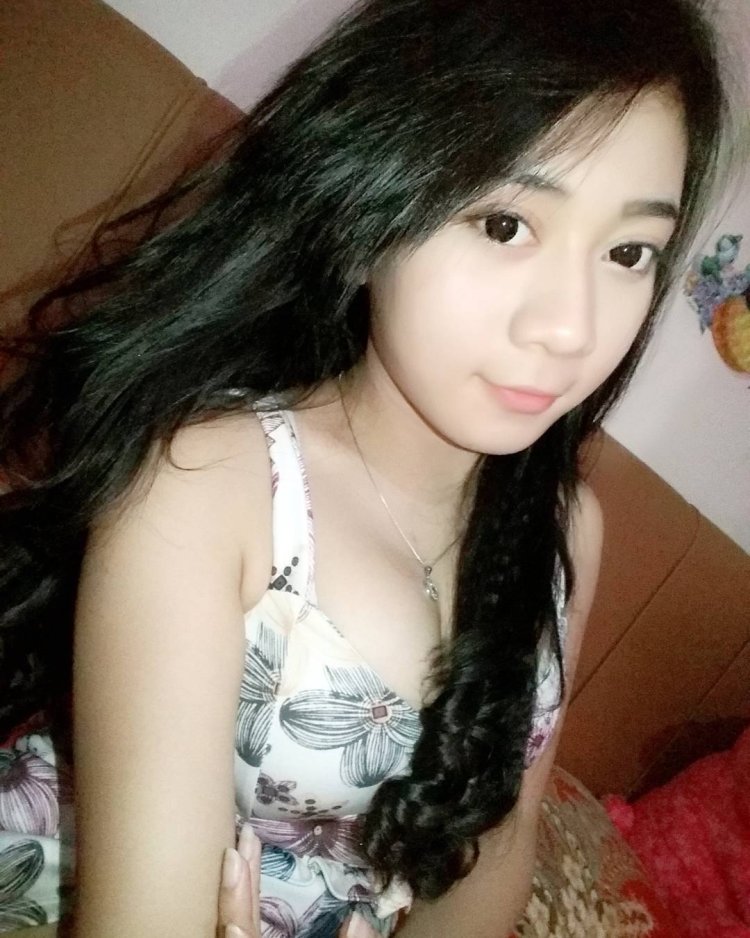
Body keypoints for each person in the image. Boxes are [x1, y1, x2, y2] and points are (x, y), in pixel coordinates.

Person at [0, 0, 730, 935]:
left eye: (629, 252)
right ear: (368, 212)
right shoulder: (210, 488)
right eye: (504, 224)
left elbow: (494, 846)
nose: (570, 327)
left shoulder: (566, 528)